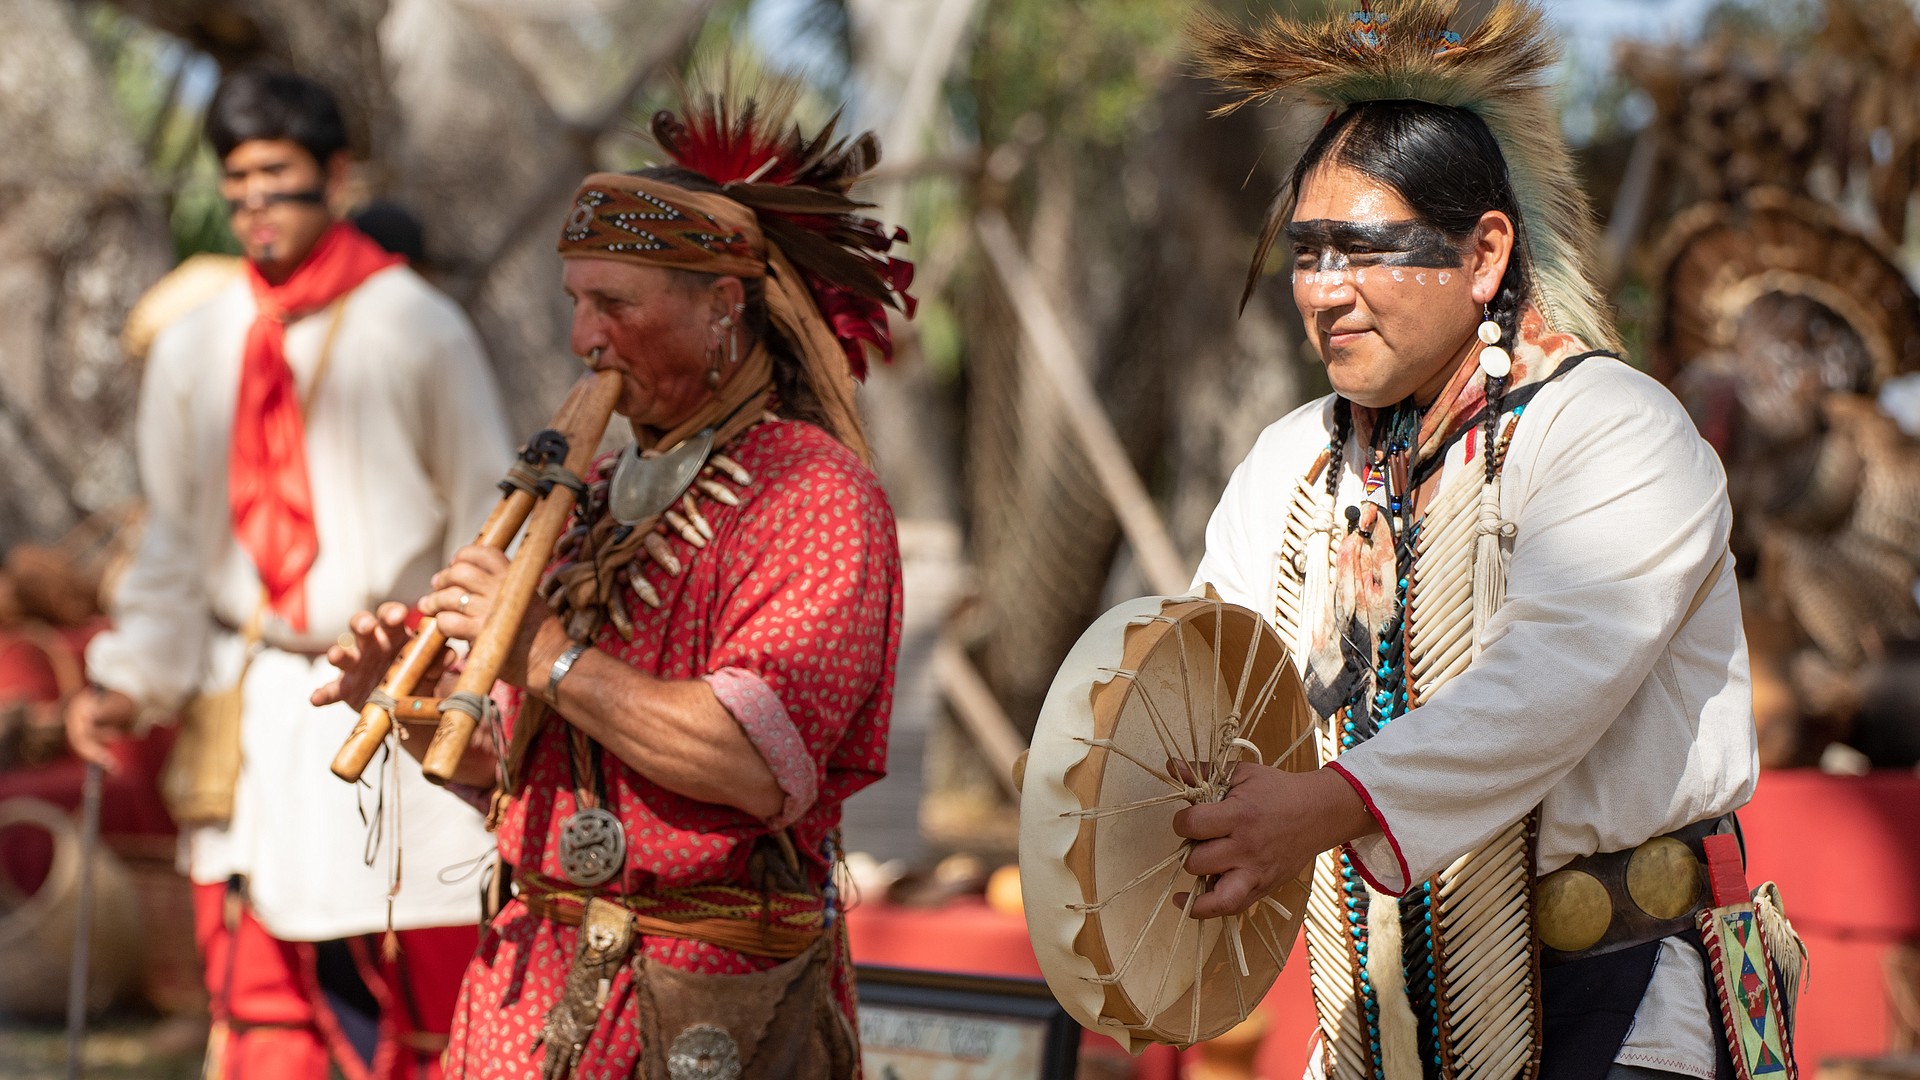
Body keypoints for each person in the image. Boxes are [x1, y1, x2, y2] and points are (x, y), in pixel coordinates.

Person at [1169, 4, 1784, 1078]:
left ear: (1485, 253)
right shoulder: (1292, 465)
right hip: (1376, 1015)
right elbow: (1209, 670)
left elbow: (1547, 681)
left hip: (1623, 1017)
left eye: (1365, 249)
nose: (1324, 291)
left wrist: (1324, 805)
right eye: (1307, 253)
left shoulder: (1616, 431)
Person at [316, 91, 913, 1078]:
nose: (583, 339)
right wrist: (427, 718)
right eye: (576, 303)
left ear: (724, 306)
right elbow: (550, 771)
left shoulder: (816, 493)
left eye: (616, 306)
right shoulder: (588, 491)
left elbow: (753, 765)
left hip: (705, 1008)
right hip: (534, 990)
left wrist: (544, 649)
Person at [65, 67, 513, 1080]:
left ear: (337, 177)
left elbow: (489, 526)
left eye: (276, 175)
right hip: (258, 699)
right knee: (263, 1012)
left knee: (418, 1009)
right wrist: (131, 676)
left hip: (395, 700)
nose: (254, 204)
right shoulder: (194, 345)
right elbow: (175, 541)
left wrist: (467, 689)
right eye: (237, 181)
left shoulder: (418, 328)